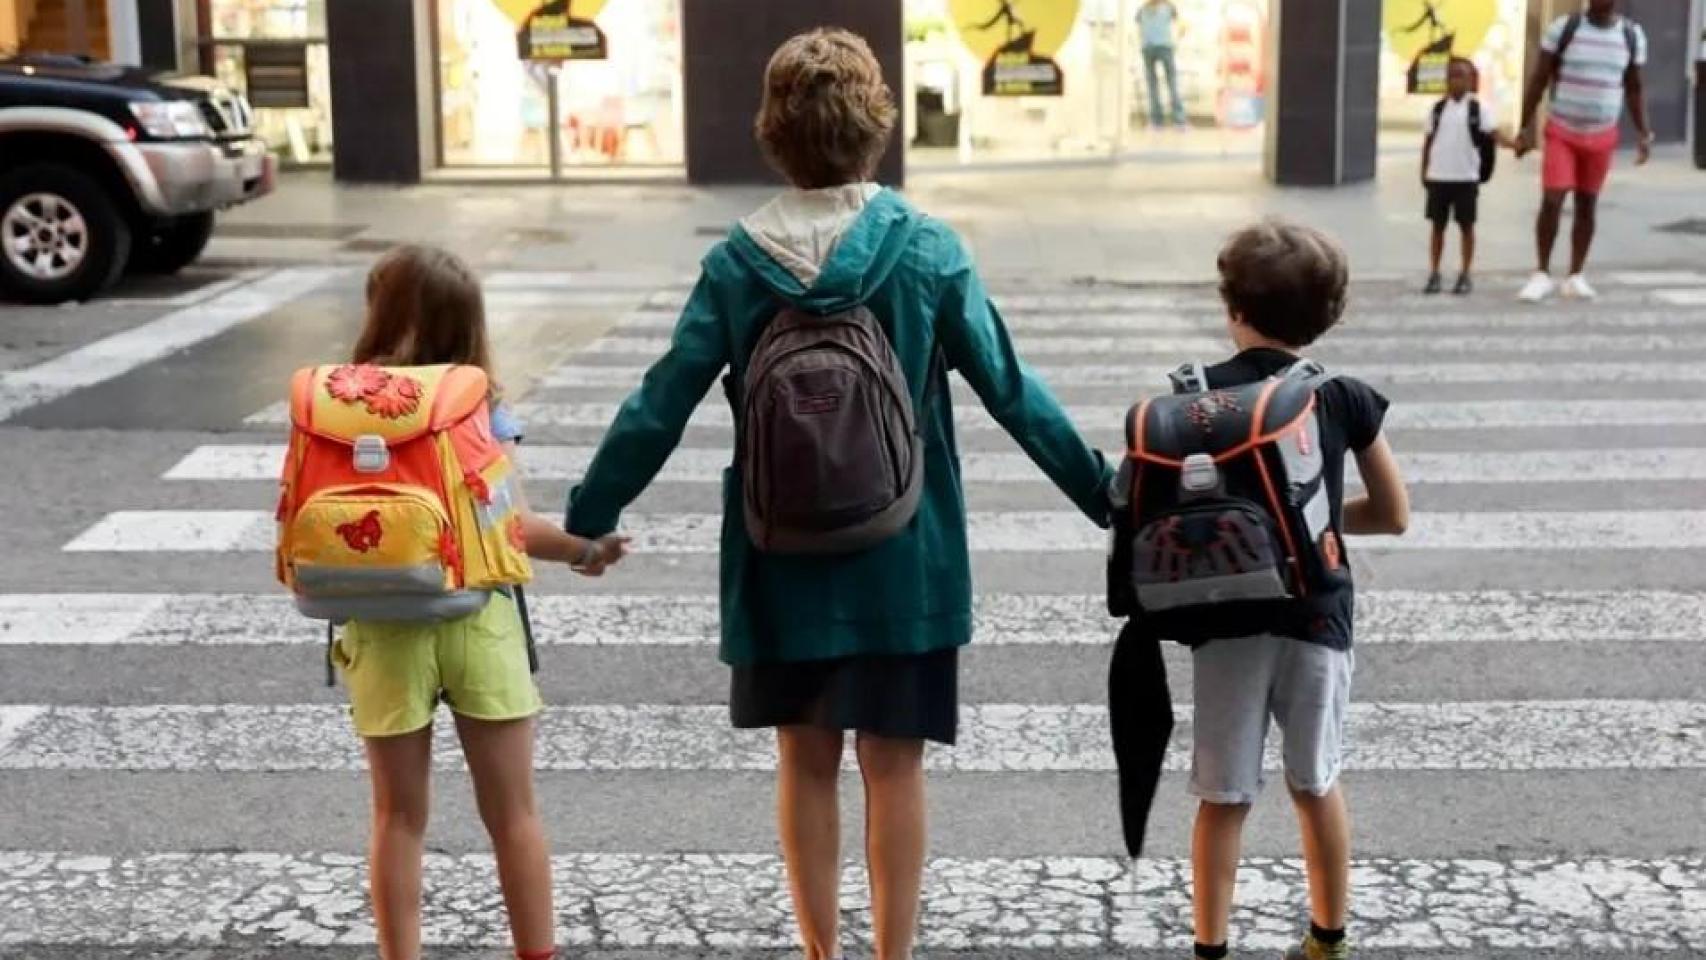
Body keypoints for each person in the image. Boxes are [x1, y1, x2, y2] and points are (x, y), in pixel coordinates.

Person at [563, 28, 1111, 960]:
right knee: (893, 767)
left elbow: (660, 400)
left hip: (782, 557)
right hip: (909, 555)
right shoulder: (929, 251)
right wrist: (1110, 496)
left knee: (804, 761)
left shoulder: (738, 265)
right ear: (876, 126)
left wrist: (589, 516)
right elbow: (1014, 392)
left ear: (773, 133)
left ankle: (823, 954)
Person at [335, 245, 629, 960]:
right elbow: (511, 527)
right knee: (514, 814)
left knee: (397, 817)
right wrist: (584, 550)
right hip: (479, 619)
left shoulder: (339, 406)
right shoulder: (478, 407)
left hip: (381, 625)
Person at [1178, 222, 1410, 960]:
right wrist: (1306, 522)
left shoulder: (1198, 399)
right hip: (1318, 619)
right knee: (1315, 783)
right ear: (1327, 315)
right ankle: (1326, 939)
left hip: (1229, 619)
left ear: (1232, 308)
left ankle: (1210, 946)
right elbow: (1394, 514)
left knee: (1223, 798)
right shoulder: (1343, 399)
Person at [1514, 0, 1651, 302]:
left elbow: (1634, 87)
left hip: (1602, 135)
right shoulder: (1564, 29)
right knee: (1553, 199)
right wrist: (1524, 126)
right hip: (1563, 130)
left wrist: (1643, 132)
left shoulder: (1632, 35)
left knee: (1587, 204)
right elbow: (1538, 78)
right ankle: (1541, 273)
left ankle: (1575, 275)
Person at [1422, 58, 1510, 295]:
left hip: (1466, 178)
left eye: (1461, 75)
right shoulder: (1437, 109)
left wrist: (1514, 145)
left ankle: (1465, 273)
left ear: (1470, 80)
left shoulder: (1478, 109)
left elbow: (1494, 134)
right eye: (1451, 75)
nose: (1456, 80)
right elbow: (1428, 142)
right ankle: (1434, 272)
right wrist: (1425, 172)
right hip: (1439, 176)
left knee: (1466, 227)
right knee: (1437, 227)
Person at [1138, 0, 1187, 128]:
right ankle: (1179, 121)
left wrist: (1142, 42)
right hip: (1165, 46)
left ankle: (1156, 121)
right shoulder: (1169, 7)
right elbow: (1183, 26)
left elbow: (1139, 28)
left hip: (1148, 48)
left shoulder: (1143, 8)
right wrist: (1176, 41)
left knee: (1152, 85)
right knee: (1172, 83)